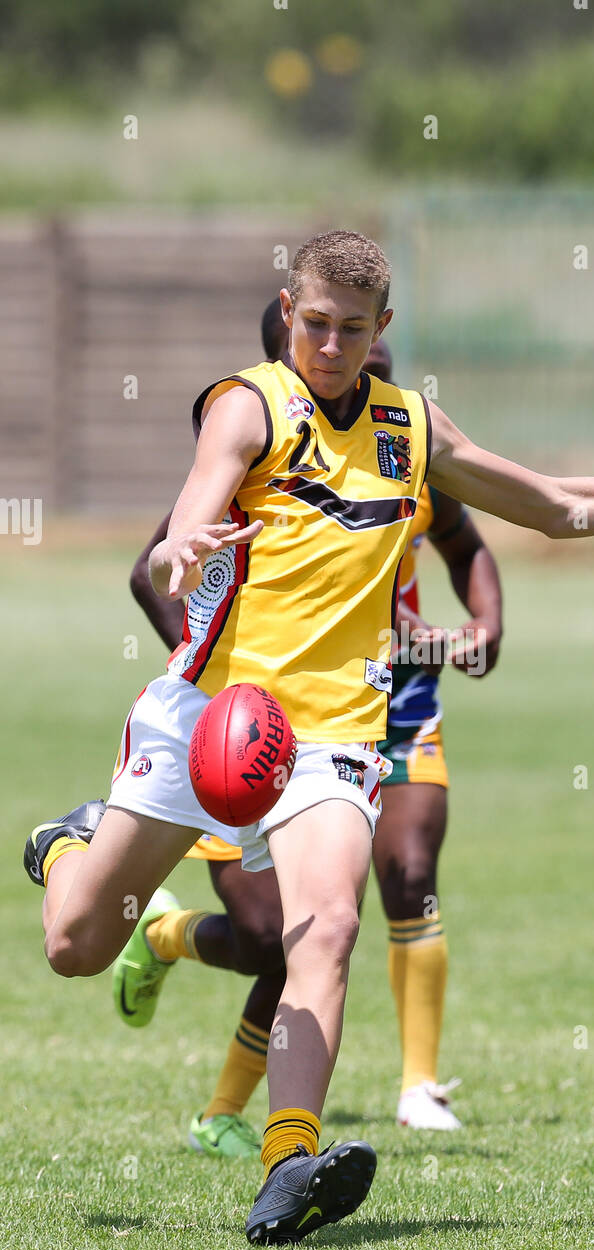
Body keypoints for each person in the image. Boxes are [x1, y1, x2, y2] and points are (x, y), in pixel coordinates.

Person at [24, 229, 594, 1246]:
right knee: (77, 945)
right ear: (290, 311)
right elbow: (195, 504)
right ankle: (67, 843)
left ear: (383, 332)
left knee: (326, 927)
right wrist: (183, 543)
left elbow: (556, 507)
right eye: (314, 323)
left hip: (325, 732)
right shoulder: (249, 403)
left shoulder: (410, 429)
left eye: (351, 331)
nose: (328, 346)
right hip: (208, 715)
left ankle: (288, 1161)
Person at [119, 323, 502, 1148]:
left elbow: (478, 541)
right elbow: (153, 566)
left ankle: (397, 1096)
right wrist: (216, 694)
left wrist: (479, 626)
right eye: (329, 345)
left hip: (384, 717)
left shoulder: (406, 444)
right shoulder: (253, 449)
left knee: (381, 893)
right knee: (267, 938)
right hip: (245, 731)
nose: (361, 375)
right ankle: (163, 941)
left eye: (377, 359)